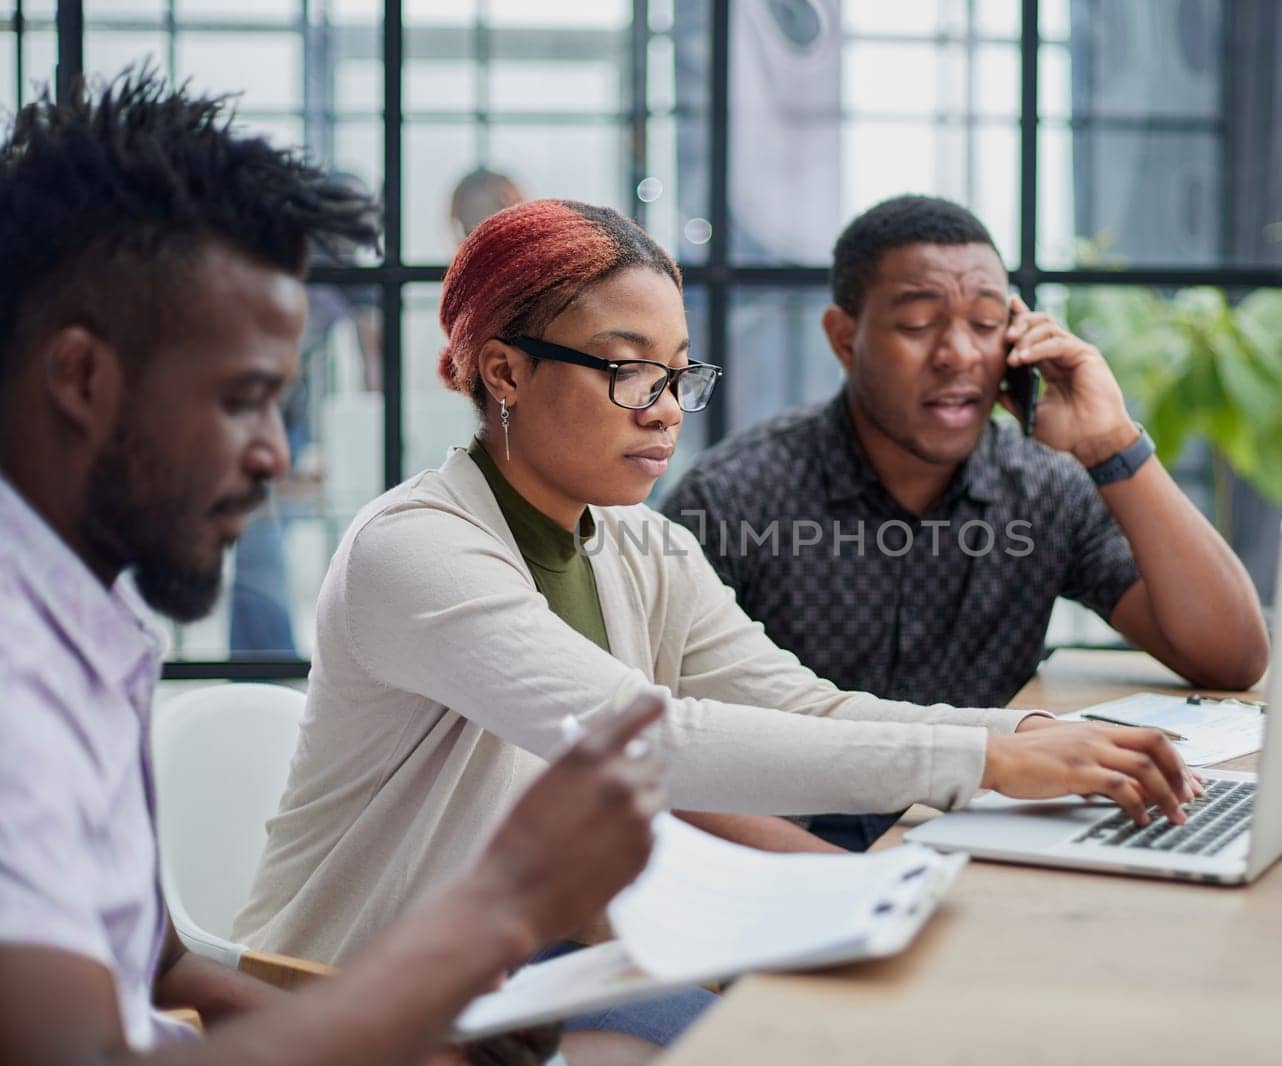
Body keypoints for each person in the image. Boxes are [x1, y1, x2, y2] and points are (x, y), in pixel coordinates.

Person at [235, 197, 1206, 1035]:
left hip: (531, 980)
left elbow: (804, 707)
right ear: (504, 371)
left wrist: (1027, 732)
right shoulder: (416, 549)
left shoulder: (640, 546)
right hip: (354, 1001)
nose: (664, 410)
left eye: (679, 375)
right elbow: (651, 744)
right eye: (628, 370)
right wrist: (985, 760)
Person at [0, 70, 665, 1066]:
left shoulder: (82, 627)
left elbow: (161, 973)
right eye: (242, 399)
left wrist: (411, 1026)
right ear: (83, 377)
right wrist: (492, 913)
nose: (274, 452)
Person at [659, 194, 1270, 850]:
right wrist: (850, 877)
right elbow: (646, 752)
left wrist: (1111, 442)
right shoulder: (734, 498)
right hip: (788, 854)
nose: (958, 354)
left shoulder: (1043, 487)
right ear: (844, 338)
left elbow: (1229, 657)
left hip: (986, 831)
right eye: (919, 323)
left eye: (985, 324)